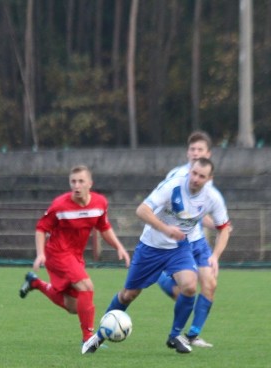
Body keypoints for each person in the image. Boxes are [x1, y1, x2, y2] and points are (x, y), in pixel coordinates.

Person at [82, 157, 228, 355]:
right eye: (193, 173)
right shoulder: (173, 186)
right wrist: (166, 229)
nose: (195, 179)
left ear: (209, 178)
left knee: (190, 286)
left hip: (179, 248)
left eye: (201, 176)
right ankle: (98, 336)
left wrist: (215, 255)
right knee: (128, 294)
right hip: (151, 247)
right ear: (189, 171)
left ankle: (175, 335)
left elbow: (224, 228)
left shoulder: (212, 197)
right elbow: (141, 210)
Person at [19, 165, 130, 349]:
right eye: (73, 182)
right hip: (57, 254)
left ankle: (35, 283)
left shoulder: (99, 203)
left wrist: (119, 247)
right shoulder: (60, 205)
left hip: (75, 256)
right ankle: (88, 339)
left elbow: (103, 227)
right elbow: (41, 228)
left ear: (90, 184)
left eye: (81, 181)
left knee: (74, 306)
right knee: (87, 286)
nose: (76, 186)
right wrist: (40, 254)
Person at [155, 131, 232, 347]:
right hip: (177, 242)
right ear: (187, 153)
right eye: (192, 150)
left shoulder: (207, 180)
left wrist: (219, 228)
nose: (195, 153)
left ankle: (192, 335)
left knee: (210, 284)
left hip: (197, 241)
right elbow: (167, 209)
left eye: (200, 150)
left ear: (208, 154)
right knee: (185, 291)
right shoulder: (177, 176)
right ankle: (161, 278)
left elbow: (201, 213)